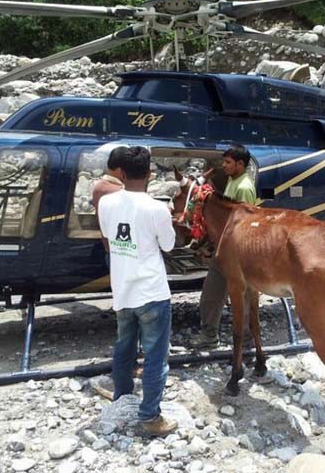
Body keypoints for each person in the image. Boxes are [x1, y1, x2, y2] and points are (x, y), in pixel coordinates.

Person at [98, 146, 178, 436]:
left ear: (120, 172)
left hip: (122, 290)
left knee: (124, 347)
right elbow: (168, 245)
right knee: (156, 356)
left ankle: (122, 398)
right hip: (152, 292)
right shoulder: (156, 207)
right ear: (149, 174)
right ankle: (150, 417)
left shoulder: (106, 203)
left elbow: (109, 237)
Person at [191, 144, 257, 349]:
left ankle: (244, 340)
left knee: (238, 295)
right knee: (213, 293)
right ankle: (212, 335)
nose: (224, 165)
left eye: (228, 162)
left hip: (235, 253)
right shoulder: (233, 181)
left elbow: (243, 223)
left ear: (240, 164)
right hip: (225, 250)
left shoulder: (244, 187)